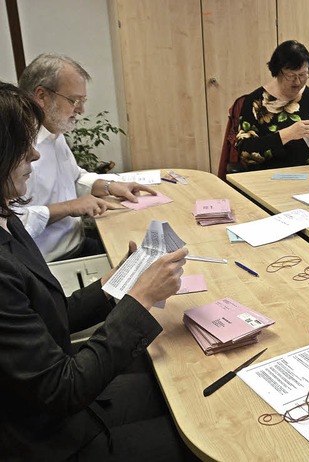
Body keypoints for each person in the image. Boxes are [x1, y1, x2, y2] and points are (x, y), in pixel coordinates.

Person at [0, 82, 195, 461]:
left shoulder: (8, 217)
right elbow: (63, 388)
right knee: (199, 435)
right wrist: (140, 300)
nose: (35, 154)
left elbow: (46, 317)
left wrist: (114, 285)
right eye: (22, 145)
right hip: (43, 439)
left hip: (56, 411)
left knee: (179, 389)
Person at [16, 53, 156, 262]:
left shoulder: (54, 133)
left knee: (144, 252)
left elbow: (74, 178)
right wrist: (69, 207)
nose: (81, 110)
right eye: (74, 100)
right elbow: (11, 220)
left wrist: (109, 186)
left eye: (83, 101)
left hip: (77, 244)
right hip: (48, 262)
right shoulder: (16, 146)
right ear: (41, 96)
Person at [235, 40, 309, 170]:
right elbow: (245, 153)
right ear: (277, 72)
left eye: (303, 75)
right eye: (291, 75)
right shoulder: (256, 102)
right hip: (272, 178)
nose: (298, 82)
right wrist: (287, 134)